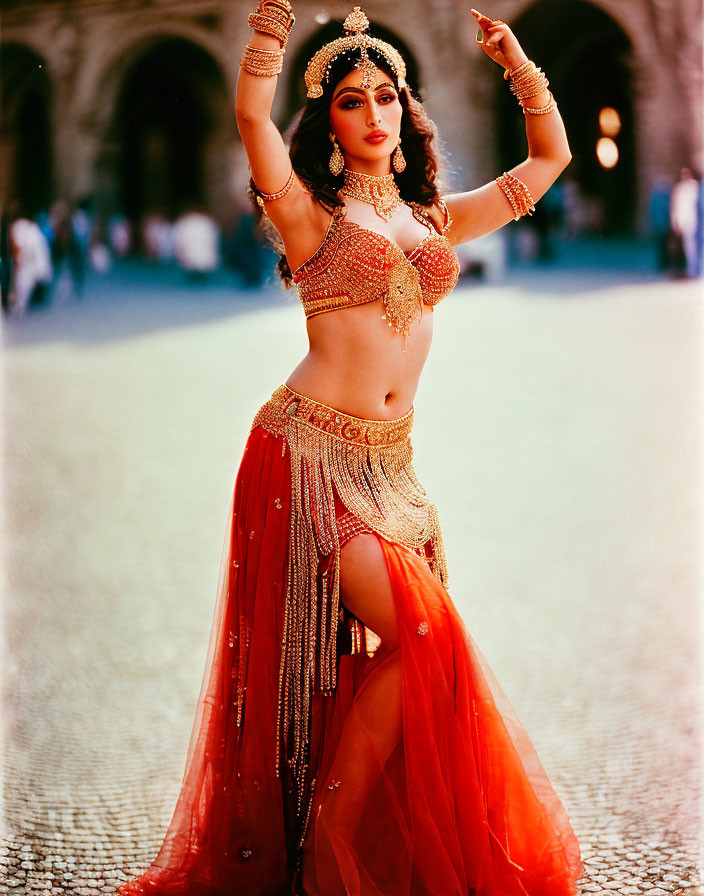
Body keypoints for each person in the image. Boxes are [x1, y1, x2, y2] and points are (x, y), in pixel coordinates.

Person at [117, 6, 582, 895]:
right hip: (309, 459)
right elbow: (254, 118)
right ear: (327, 127)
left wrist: (520, 64)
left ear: (407, 114)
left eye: (388, 96)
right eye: (351, 102)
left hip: (393, 468)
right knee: (423, 632)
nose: (375, 113)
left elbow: (548, 161)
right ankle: (330, 824)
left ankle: (342, 828)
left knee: (416, 649)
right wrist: (268, 32)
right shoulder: (309, 221)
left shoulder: (437, 221)